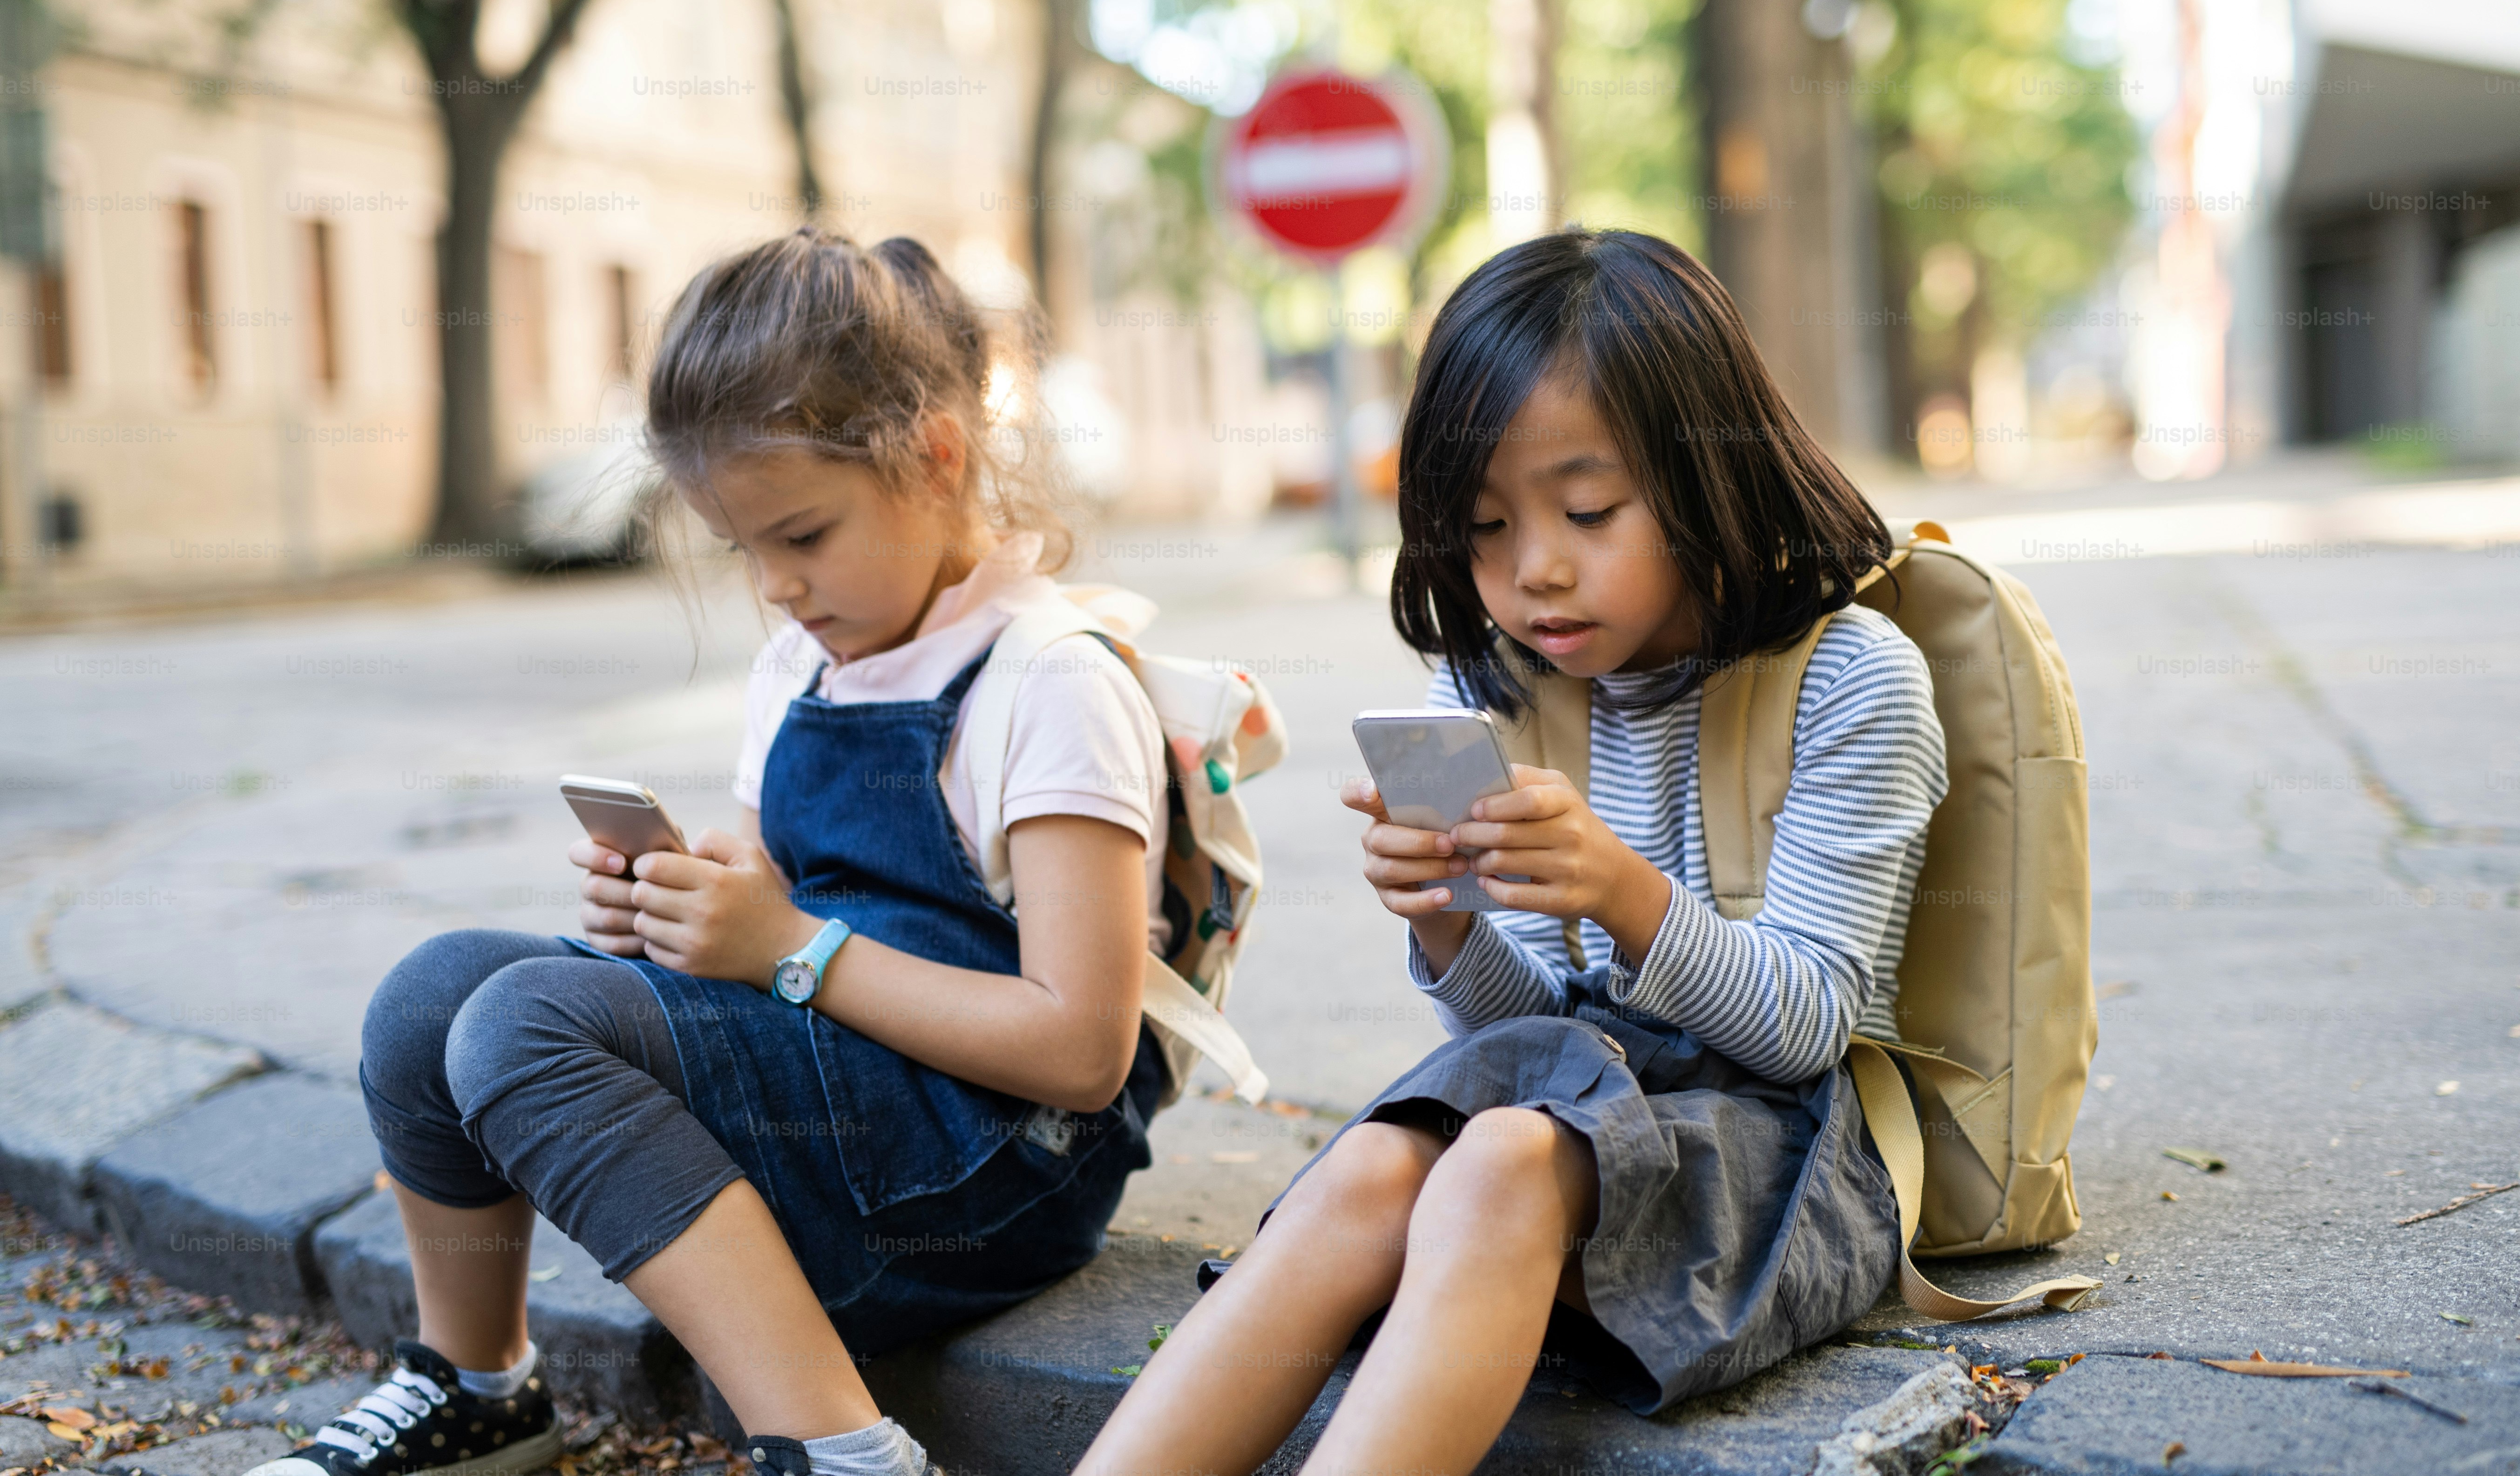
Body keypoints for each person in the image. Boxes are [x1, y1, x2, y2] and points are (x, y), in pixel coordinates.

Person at [249, 231, 1176, 1476]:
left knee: (519, 1025)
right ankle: (480, 1385)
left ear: (937, 457)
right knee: (439, 990)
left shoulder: (1050, 681)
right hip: (839, 1114)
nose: (775, 589)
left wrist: (788, 948)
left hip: (988, 1174)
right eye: (742, 549)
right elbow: (782, 918)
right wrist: (685, 915)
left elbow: (1080, 1050)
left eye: (801, 535)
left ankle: (846, 1452)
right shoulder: (806, 660)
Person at [1076, 228, 1948, 1475]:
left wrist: (1626, 893)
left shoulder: (1850, 680)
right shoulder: (1500, 683)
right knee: (1378, 1162)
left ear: (1708, 476)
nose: (1533, 570)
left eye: (1587, 509)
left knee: (1497, 1161)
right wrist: (1443, 924)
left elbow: (1804, 1026)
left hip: (1786, 1158)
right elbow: (1530, 1033)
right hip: (1576, 1132)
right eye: (1483, 529)